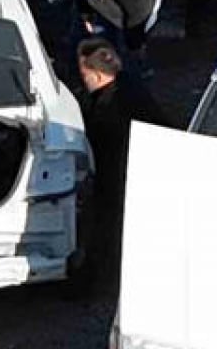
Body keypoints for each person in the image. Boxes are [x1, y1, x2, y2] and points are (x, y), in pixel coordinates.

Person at [76, 37, 161, 280]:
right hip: (119, 170)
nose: (83, 80)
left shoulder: (113, 105)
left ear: (97, 75)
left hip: (119, 173)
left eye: (84, 74)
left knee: (107, 228)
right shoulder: (130, 89)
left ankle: (100, 276)